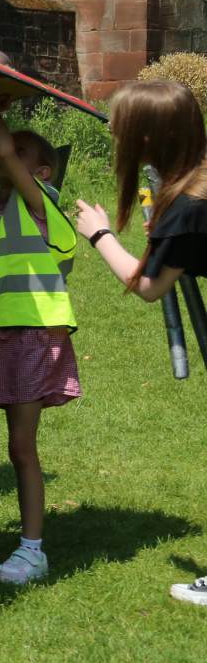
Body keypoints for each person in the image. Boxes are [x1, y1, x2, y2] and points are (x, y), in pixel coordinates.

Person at [70, 80, 207, 606]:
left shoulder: (189, 203)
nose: (114, 132)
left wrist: (99, 234)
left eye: (122, 126)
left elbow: (148, 286)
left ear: (148, 137)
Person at [0, 126, 78, 584]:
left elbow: (25, 185)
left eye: (20, 154)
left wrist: (2, 145)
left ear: (43, 172)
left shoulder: (42, 202)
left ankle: (32, 549)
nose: (6, 157)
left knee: (21, 447)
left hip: (32, 333)